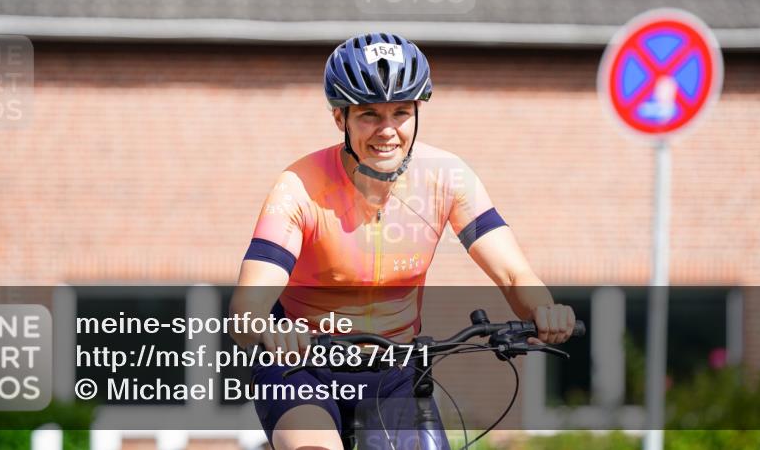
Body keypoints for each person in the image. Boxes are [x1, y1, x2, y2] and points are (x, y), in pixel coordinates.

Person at [229, 32, 576, 450]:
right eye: (369, 115)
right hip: (301, 367)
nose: (388, 130)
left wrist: (543, 310)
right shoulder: (299, 188)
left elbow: (512, 270)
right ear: (340, 118)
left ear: (418, 112)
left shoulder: (446, 177)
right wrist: (267, 330)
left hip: (396, 371)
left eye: (401, 112)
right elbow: (246, 308)